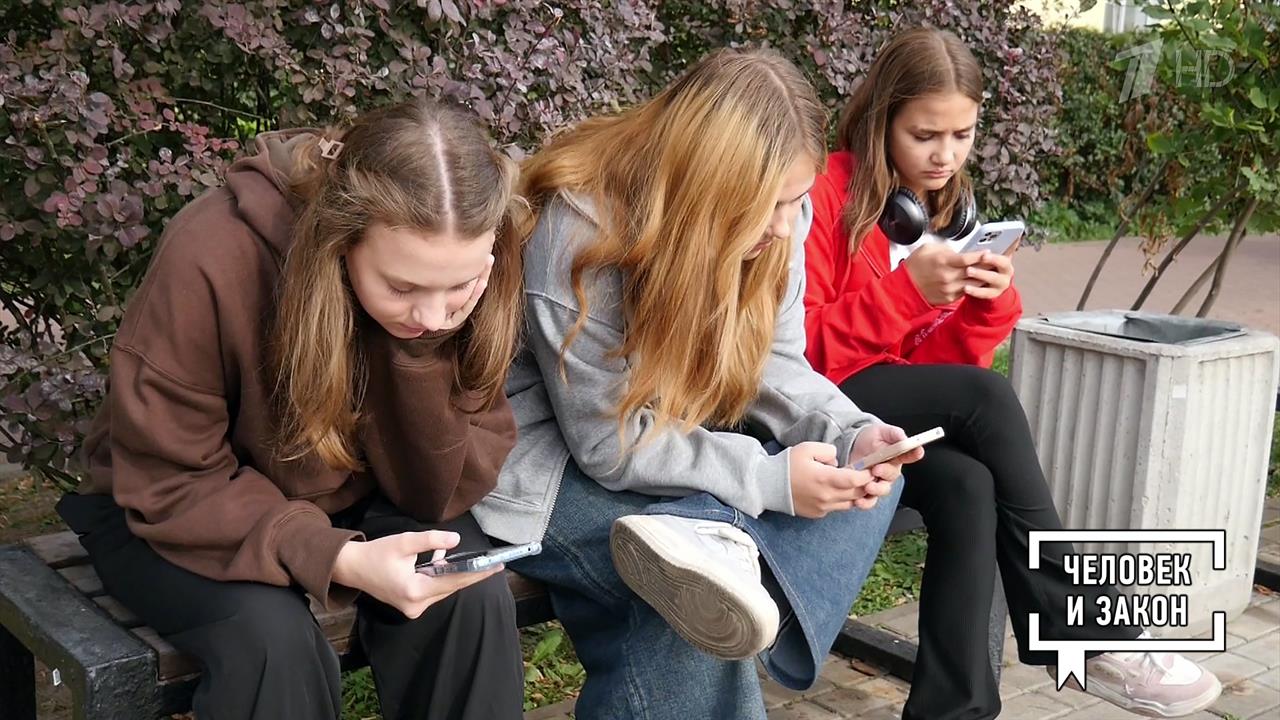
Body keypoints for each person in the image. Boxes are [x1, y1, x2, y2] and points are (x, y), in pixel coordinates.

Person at [472, 47, 918, 720]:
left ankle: (719, 545)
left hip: (669, 428)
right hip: (546, 465)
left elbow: (776, 361)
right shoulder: (581, 231)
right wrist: (765, 480)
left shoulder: (779, 221)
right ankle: (720, 548)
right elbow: (606, 443)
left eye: (796, 200)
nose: (785, 225)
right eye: (767, 205)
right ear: (709, 186)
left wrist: (848, 430)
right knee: (687, 615)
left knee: (864, 482)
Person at [55, 98, 528, 720]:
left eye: (459, 288)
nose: (434, 314)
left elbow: (444, 487)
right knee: (270, 644)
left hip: (355, 492)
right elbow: (168, 477)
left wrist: (425, 350)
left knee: (467, 599)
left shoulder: (471, 273)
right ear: (341, 238)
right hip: (175, 507)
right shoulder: (212, 252)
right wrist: (334, 556)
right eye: (402, 286)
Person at [804, 27, 1222, 720]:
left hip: (882, 416)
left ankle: (955, 711)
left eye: (962, 135)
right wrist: (906, 294)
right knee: (988, 396)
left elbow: (940, 376)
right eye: (923, 135)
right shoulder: (822, 196)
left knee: (970, 486)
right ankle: (1081, 627)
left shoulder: (944, 212)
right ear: (881, 122)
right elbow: (800, 352)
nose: (944, 155)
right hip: (815, 404)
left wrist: (984, 306)